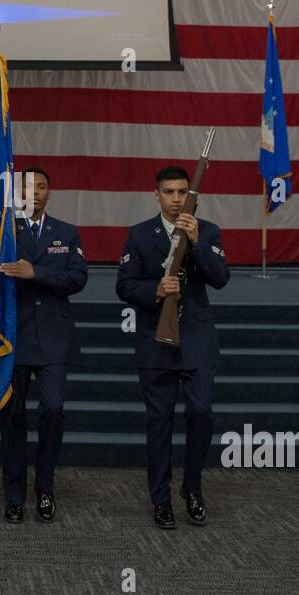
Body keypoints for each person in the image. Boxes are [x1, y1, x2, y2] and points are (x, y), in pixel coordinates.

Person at [115, 166, 230, 529]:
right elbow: (124, 285)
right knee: (159, 422)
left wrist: (197, 244)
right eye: (169, 192)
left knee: (201, 414)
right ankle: (161, 498)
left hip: (196, 340)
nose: (177, 199)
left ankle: (192, 489)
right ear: (157, 195)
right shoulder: (138, 235)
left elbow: (221, 278)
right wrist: (155, 291)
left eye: (182, 192)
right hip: (156, 342)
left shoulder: (207, 230)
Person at [0, 167, 86, 523]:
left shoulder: (66, 232)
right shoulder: (0, 231)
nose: (33, 192)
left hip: (52, 337)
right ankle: (15, 494)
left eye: (40, 186)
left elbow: (77, 278)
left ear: (50, 192)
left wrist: (36, 272)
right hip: (11, 338)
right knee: (13, 417)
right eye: (26, 187)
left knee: (53, 409)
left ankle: (45, 487)